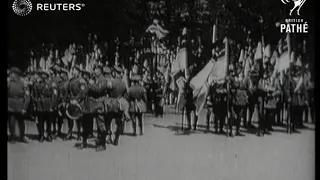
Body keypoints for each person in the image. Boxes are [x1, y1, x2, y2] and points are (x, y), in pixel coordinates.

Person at [8, 67, 30, 144]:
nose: (11, 75)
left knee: (21, 122)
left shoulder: (23, 83)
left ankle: (22, 136)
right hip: (11, 105)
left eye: (12, 74)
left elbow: (27, 96)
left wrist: (24, 107)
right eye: (11, 74)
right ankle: (13, 137)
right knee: (11, 122)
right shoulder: (9, 83)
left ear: (16, 75)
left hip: (20, 105)